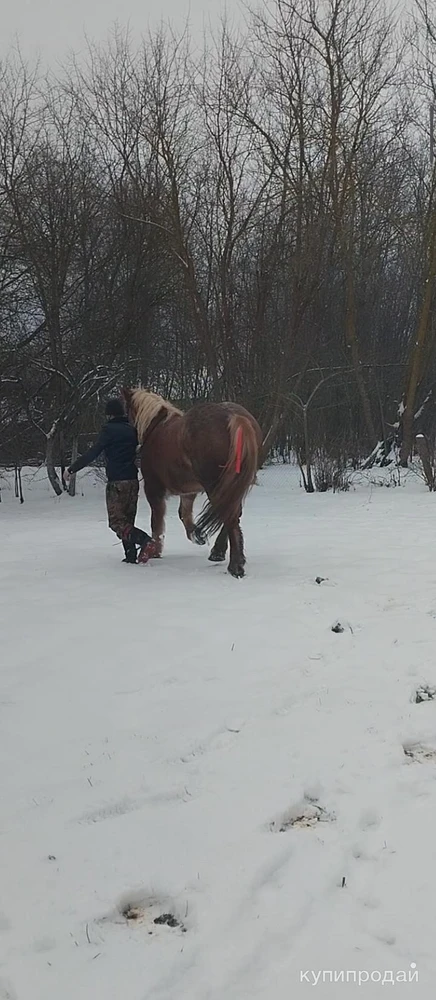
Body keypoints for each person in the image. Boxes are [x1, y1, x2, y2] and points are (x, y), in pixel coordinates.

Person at [65, 398, 156, 564]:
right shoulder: (132, 430)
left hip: (117, 482)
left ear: (109, 414)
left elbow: (93, 452)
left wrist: (72, 469)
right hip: (132, 480)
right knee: (128, 521)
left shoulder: (108, 430)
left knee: (116, 523)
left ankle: (145, 540)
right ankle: (130, 556)